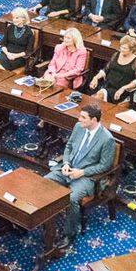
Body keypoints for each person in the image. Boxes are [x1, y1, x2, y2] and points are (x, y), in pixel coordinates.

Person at [47, 104, 115, 244]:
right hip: (68, 168)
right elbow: (69, 146)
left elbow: (105, 165)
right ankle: (45, 219)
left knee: (71, 199)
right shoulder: (79, 127)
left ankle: (69, 234)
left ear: (94, 120)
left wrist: (82, 172)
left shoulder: (107, 139)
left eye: (83, 117)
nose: (79, 119)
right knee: (44, 182)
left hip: (87, 177)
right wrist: (66, 163)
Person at [89, 36, 136, 103]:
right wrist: (96, 77)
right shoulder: (116, 54)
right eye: (121, 47)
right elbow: (105, 69)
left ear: (131, 49)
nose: (122, 49)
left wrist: (123, 88)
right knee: (93, 95)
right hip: (107, 85)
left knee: (98, 97)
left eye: (125, 48)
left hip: (122, 90)